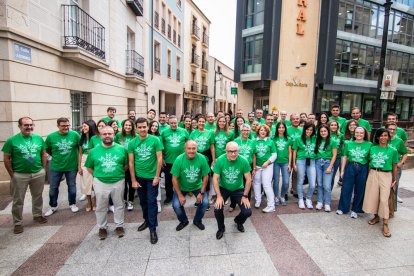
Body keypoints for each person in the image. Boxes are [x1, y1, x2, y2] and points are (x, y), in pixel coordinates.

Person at [2, 117, 48, 234]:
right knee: (18, 200)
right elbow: (6, 158)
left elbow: (43, 154)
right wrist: (12, 174)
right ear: (20, 126)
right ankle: (17, 223)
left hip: (37, 173)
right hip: (20, 174)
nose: (29, 127)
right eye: (26, 125)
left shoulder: (38, 138)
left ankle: (37, 215)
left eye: (31, 125)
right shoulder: (12, 140)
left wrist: (43, 169)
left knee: (37, 196)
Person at [85, 126, 128, 240]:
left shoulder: (122, 149)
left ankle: (119, 226)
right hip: (100, 182)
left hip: (118, 181)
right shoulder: (94, 151)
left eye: (110, 133)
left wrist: (116, 174)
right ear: (100, 136)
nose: (107, 136)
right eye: (104, 134)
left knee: (119, 204)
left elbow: (126, 165)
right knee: (101, 206)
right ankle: (102, 227)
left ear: (114, 134)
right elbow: (89, 167)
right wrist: (99, 175)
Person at [129, 117, 163, 244]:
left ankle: (153, 229)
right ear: (136, 129)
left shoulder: (155, 140)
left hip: (151, 177)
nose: (142, 129)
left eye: (144, 127)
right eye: (140, 127)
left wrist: (156, 176)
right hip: (139, 177)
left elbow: (159, 159)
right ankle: (147, 220)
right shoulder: (132, 143)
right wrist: (133, 179)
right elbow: (131, 162)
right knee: (143, 202)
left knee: (152, 201)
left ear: (148, 127)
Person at [363, 128, 398, 238]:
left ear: (388, 137)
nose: (383, 138)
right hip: (373, 173)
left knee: (384, 199)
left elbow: (394, 166)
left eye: (385, 135)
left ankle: (386, 224)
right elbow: (369, 163)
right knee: (373, 197)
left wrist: (395, 180)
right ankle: (376, 216)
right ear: (377, 137)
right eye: (381, 136)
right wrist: (369, 176)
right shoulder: (372, 148)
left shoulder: (393, 150)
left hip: (386, 175)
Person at [212, 142, 252, 240]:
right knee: (217, 209)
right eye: (230, 151)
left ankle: (238, 221)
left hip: (238, 189)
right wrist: (219, 196)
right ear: (226, 151)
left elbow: (248, 179)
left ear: (238, 151)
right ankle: (221, 228)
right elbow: (215, 179)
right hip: (223, 188)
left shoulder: (243, 160)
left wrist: (245, 196)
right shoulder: (220, 160)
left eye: (235, 151)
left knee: (247, 211)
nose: (233, 154)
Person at [44, 118, 80, 216]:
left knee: (72, 186)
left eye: (68, 125)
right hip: (56, 166)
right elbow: (47, 149)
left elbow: (80, 148)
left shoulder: (75, 135)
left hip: (72, 166)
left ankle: (72, 203)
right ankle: (53, 206)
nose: (66, 127)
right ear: (58, 126)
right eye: (63, 125)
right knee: (53, 187)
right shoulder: (51, 137)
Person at [171, 140, 210, 231]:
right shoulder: (179, 159)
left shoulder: (202, 158)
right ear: (185, 149)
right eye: (189, 148)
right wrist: (180, 195)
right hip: (182, 187)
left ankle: (197, 220)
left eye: (194, 148)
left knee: (205, 203)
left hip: (197, 186)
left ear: (197, 149)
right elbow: (174, 179)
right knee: (176, 205)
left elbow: (205, 177)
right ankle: (184, 221)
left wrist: (201, 192)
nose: (191, 151)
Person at [337, 127, 371, 218]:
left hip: (363, 167)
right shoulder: (349, 143)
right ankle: (343, 208)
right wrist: (342, 170)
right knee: (346, 188)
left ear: (364, 134)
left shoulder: (369, 144)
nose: (359, 134)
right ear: (354, 133)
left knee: (360, 189)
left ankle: (356, 209)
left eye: (361, 133)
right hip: (351, 166)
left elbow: (371, 159)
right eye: (357, 132)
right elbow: (344, 156)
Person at [161, 115, 189, 205]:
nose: (173, 125)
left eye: (175, 123)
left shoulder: (184, 131)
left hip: (181, 160)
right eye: (171, 123)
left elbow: (188, 144)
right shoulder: (164, 132)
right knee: (168, 180)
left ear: (178, 122)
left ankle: (181, 194)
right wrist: (162, 158)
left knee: (181, 178)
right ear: (169, 123)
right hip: (168, 161)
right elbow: (161, 147)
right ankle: (169, 196)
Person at [189, 116, 216, 202]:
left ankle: (206, 199)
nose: (201, 123)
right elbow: (190, 146)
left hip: (207, 155)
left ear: (205, 122)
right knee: (197, 176)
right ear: (197, 123)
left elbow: (212, 147)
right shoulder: (193, 133)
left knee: (206, 176)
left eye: (203, 121)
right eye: (199, 121)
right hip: (195, 155)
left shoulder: (210, 133)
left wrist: (214, 159)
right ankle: (198, 198)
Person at [232, 124, 256, 211]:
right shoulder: (236, 141)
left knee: (247, 183)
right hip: (237, 165)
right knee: (235, 184)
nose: (245, 132)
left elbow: (253, 156)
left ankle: (247, 201)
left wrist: (254, 168)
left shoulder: (252, 142)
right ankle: (233, 204)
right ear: (241, 131)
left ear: (249, 131)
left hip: (248, 166)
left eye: (247, 130)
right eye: (244, 130)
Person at [292, 122, 317, 209]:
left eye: (311, 130)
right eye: (307, 129)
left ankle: (308, 199)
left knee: (312, 183)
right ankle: (300, 199)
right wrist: (294, 163)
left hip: (312, 161)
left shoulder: (315, 139)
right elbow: (294, 151)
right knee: (300, 180)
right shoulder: (299, 139)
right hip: (301, 161)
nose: (309, 131)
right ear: (304, 129)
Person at [253, 125, 277, 213]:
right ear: (258, 131)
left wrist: (267, 162)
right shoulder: (254, 141)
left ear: (267, 132)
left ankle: (271, 205)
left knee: (266, 184)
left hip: (267, 166)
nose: (263, 132)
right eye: (261, 130)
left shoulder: (270, 142)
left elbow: (274, 154)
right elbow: (253, 155)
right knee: (256, 183)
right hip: (257, 167)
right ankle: (258, 200)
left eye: (265, 131)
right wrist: (254, 167)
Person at [315, 124, 338, 212]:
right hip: (318, 163)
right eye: (321, 131)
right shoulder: (317, 141)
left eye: (325, 131)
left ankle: (327, 203)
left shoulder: (332, 141)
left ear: (328, 132)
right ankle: (320, 202)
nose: (323, 133)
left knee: (327, 185)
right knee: (320, 184)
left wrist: (330, 166)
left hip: (327, 163)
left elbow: (334, 155)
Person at [114, 119, 136, 211]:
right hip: (121, 163)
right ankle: (123, 200)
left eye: (129, 125)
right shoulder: (118, 135)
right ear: (123, 126)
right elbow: (114, 147)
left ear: (132, 127)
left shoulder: (136, 136)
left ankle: (130, 200)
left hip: (133, 163)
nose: (127, 127)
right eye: (126, 125)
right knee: (122, 183)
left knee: (131, 183)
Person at [385, 122, 408, 207]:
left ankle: (392, 208)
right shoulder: (382, 138)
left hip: (395, 168)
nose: (392, 131)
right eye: (390, 129)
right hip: (384, 168)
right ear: (386, 129)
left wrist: (401, 163)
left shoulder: (399, 141)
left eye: (394, 129)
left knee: (393, 188)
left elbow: (405, 153)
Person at [78, 120, 96, 212]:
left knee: (95, 181)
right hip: (84, 160)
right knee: (86, 182)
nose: (83, 128)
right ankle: (89, 201)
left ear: (91, 127)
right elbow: (80, 154)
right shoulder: (82, 138)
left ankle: (95, 200)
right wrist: (79, 167)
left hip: (94, 159)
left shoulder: (95, 138)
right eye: (83, 126)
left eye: (85, 126)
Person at [273, 122, 292, 207]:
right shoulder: (274, 139)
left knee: (286, 182)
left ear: (285, 129)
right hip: (276, 162)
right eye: (279, 127)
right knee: (276, 181)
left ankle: (282, 196)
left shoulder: (288, 138)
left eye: (282, 127)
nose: (281, 129)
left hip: (285, 163)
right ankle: (276, 196)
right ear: (277, 129)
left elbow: (290, 152)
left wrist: (289, 164)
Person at [148, 120, 163, 212]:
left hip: (156, 163)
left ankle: (158, 201)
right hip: (147, 164)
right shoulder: (144, 137)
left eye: (156, 126)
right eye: (152, 126)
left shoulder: (159, 137)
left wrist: (162, 160)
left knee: (157, 181)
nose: (154, 127)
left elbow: (161, 151)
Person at [328, 120, 343, 189]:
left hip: (337, 158)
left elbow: (343, 146)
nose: (334, 126)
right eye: (332, 125)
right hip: (327, 157)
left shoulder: (340, 135)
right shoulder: (325, 134)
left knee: (332, 176)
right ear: (329, 126)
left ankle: (329, 192)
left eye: (335, 125)